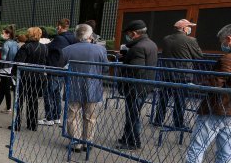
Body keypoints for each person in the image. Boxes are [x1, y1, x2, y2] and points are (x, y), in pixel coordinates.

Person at [162, 24, 231, 163]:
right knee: (225, 150)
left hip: (216, 109)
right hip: (229, 112)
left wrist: (198, 84)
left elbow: (217, 82)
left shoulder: (227, 59)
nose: (222, 44)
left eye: (223, 41)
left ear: (229, 40)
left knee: (198, 145)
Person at [61, 24, 109, 152]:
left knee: (72, 116)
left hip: (73, 86)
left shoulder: (67, 50)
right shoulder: (100, 50)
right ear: (90, 35)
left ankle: (75, 142)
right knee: (90, 117)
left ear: (76, 35)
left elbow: (61, 68)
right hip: (93, 87)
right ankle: (87, 142)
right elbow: (105, 68)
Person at [153, 19, 204, 129]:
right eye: (189, 26)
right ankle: (178, 123)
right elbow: (199, 55)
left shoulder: (166, 39)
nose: (190, 29)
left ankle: (158, 120)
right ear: (185, 28)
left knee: (163, 98)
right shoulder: (190, 40)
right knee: (180, 100)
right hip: (183, 75)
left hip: (167, 74)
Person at [117, 19, 158, 151]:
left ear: (134, 33)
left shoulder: (138, 47)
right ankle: (126, 137)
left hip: (135, 87)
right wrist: (126, 57)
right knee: (133, 113)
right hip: (145, 85)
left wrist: (125, 63)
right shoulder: (151, 44)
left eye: (128, 34)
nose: (127, 36)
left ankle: (134, 142)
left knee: (133, 114)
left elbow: (135, 69)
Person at [41, 19, 77, 126]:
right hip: (64, 69)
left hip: (54, 68)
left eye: (57, 26)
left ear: (60, 27)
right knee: (57, 94)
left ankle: (49, 118)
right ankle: (56, 117)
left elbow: (48, 48)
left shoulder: (59, 39)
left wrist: (45, 44)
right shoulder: (72, 38)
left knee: (49, 93)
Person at [13, 27, 47, 131]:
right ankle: (32, 124)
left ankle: (17, 124)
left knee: (19, 100)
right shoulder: (44, 48)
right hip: (38, 77)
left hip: (24, 77)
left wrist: (13, 74)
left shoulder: (25, 47)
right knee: (33, 100)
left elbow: (18, 62)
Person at [0, 27, 19, 113]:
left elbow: (3, 57)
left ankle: (6, 107)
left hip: (5, 68)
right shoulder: (16, 43)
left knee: (4, 88)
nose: (2, 34)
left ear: (8, 34)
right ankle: (1, 106)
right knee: (4, 87)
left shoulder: (6, 44)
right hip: (12, 67)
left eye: (3, 33)